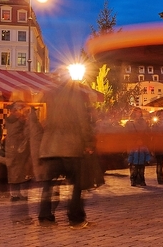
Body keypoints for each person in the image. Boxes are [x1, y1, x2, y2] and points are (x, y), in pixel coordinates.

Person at [38, 79, 95, 229]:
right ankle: (75, 218)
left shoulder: (48, 94)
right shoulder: (74, 95)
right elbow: (82, 120)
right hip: (70, 147)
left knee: (49, 184)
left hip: (49, 147)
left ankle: (45, 217)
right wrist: (88, 142)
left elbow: (41, 120)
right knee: (77, 183)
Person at [4, 102, 34, 202]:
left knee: (12, 171)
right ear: (15, 111)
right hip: (20, 149)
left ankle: (14, 194)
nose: (20, 112)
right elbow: (26, 134)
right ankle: (22, 193)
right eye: (19, 110)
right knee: (23, 171)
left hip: (10, 148)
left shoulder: (8, 120)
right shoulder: (21, 121)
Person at [125, 108, 150, 187]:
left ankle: (141, 180)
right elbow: (127, 134)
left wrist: (144, 141)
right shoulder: (129, 123)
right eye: (137, 112)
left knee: (141, 163)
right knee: (133, 164)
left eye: (140, 112)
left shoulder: (144, 122)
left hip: (142, 144)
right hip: (132, 145)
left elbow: (147, 133)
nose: (138, 114)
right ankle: (133, 180)